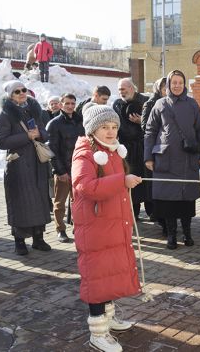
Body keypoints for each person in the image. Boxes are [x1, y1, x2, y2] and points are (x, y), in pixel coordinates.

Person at [71, 103, 142, 352]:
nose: (111, 132)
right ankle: (98, 334)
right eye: (104, 127)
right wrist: (121, 180)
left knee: (108, 273)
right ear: (92, 130)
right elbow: (85, 186)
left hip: (110, 226)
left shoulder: (111, 152)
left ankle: (109, 319)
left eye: (114, 127)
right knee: (98, 278)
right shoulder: (85, 153)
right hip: (95, 228)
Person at [144, 70, 200, 249]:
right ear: (168, 85)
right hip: (166, 159)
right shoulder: (159, 104)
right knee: (168, 201)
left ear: (184, 84)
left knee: (187, 200)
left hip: (188, 158)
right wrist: (148, 156)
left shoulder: (193, 104)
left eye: (180, 82)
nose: (177, 85)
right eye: (174, 83)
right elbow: (150, 131)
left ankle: (187, 234)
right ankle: (171, 236)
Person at [0, 80, 52, 255]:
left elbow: (44, 132)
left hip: (37, 163)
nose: (21, 93)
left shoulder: (34, 111)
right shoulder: (5, 115)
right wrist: (26, 136)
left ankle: (38, 238)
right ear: (10, 95)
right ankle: (19, 241)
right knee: (21, 203)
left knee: (40, 200)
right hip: (19, 166)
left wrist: (40, 134)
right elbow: (1, 142)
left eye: (23, 90)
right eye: (16, 91)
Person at [46, 93, 85, 243]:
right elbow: (52, 150)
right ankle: (60, 229)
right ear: (61, 104)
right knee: (60, 202)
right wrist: (59, 171)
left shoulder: (80, 121)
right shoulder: (54, 124)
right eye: (67, 103)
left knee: (78, 200)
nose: (70, 106)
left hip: (79, 169)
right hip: (62, 169)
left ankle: (78, 226)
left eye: (72, 103)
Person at [114, 78, 149, 218]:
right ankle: (133, 213)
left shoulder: (146, 101)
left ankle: (152, 212)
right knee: (130, 179)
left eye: (123, 89)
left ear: (132, 88)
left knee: (145, 180)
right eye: (119, 90)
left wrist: (142, 121)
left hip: (143, 147)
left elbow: (156, 123)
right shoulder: (116, 104)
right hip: (126, 149)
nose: (121, 92)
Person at [141, 77, 167, 234]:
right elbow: (146, 128)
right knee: (157, 187)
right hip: (157, 151)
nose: (167, 89)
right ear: (158, 88)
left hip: (170, 151)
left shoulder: (173, 102)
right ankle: (159, 217)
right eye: (164, 87)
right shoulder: (150, 103)